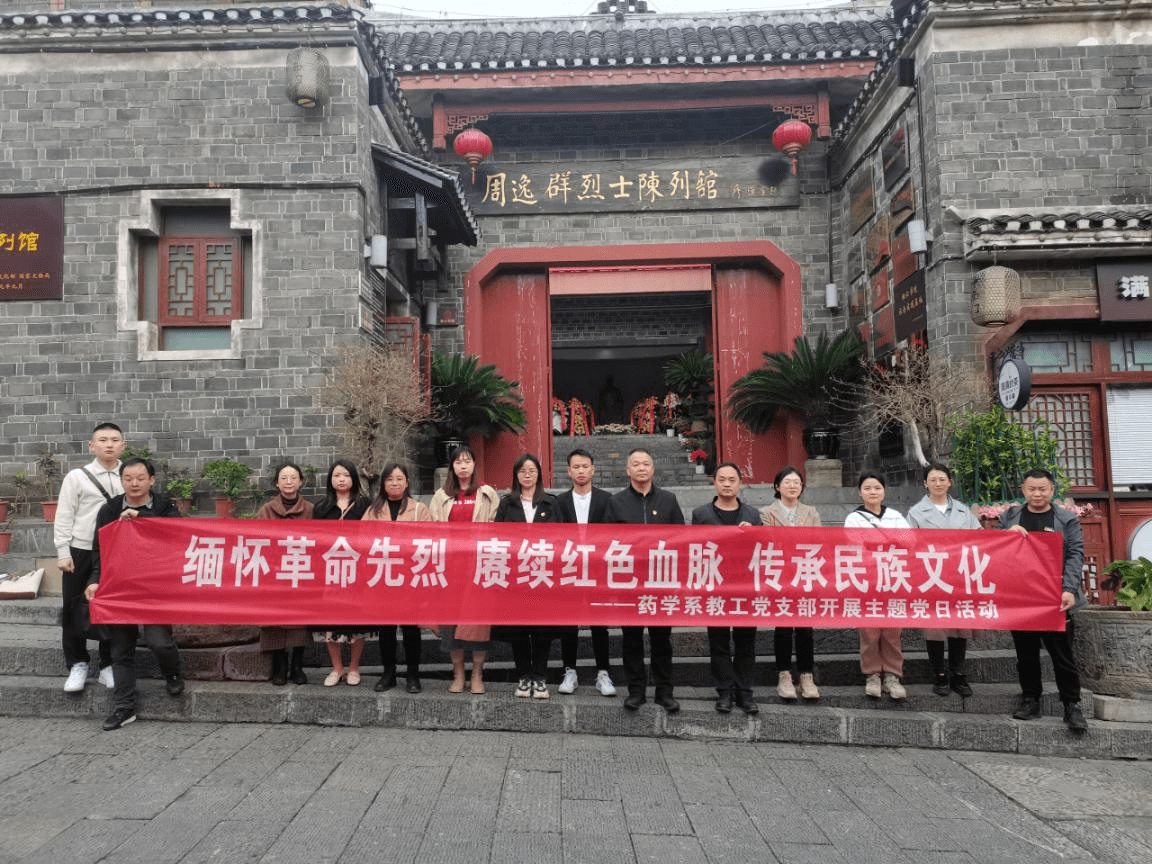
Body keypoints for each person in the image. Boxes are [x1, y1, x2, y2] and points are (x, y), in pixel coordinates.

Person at [84, 458, 184, 731]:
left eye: (140, 478)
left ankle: (173, 673)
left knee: (158, 641)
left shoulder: (165, 506)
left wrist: (143, 520)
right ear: (121, 481)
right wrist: (95, 581)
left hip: (155, 587)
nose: (134, 483)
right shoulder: (110, 509)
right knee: (120, 650)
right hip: (120, 587)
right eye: (128, 479)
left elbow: (178, 533)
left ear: (151, 480)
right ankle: (124, 707)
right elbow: (99, 549)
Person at [998, 469, 1088, 732]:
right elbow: (995, 550)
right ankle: (1030, 700)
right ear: (1023, 490)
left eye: (1042, 489)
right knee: (1025, 653)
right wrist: (1006, 535)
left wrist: (1069, 589)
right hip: (1021, 597)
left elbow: (1075, 554)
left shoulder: (1066, 519)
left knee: (1062, 655)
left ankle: (1071, 705)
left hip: (1055, 597)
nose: (1037, 494)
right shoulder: (1010, 517)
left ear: (1052, 490)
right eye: (1032, 489)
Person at [604, 447, 685, 713]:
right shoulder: (616, 502)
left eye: (646, 463)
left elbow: (681, 541)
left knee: (662, 640)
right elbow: (606, 543)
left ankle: (664, 692)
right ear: (628, 471)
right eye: (636, 464)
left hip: (662, 583)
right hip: (630, 584)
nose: (641, 468)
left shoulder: (668, 500)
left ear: (653, 469)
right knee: (632, 639)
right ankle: (636, 691)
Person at [55, 421, 125, 693]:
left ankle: (108, 664)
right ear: (91, 445)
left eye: (115, 440)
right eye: (103, 440)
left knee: (110, 608)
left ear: (123, 445)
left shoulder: (130, 475)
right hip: (81, 550)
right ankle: (78, 663)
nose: (109, 445)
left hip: (116, 552)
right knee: (74, 608)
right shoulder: (77, 477)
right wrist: (63, 551)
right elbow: (64, 515)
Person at [691, 462, 762, 715]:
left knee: (746, 643)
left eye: (732, 480)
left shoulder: (753, 515)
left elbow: (764, 550)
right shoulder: (701, 514)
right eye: (722, 479)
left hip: (745, 587)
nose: (727, 484)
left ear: (740, 483)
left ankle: (745, 693)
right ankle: (724, 691)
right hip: (715, 587)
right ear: (714, 483)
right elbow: (693, 549)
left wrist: (753, 535)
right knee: (719, 642)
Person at [906, 462, 981, 698]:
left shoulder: (963, 511)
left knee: (960, 627)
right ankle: (939, 674)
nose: (938, 484)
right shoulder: (916, 512)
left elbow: (980, 539)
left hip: (960, 575)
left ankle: (958, 674)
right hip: (932, 576)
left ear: (950, 482)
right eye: (933, 480)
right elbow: (909, 545)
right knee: (935, 629)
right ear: (925, 484)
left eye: (942, 479)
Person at [429, 445, 499, 694]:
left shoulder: (487, 493)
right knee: (451, 622)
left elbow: (496, 527)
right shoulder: (441, 496)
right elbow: (434, 532)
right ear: (452, 466)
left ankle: (478, 673)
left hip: (479, 566)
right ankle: (458, 673)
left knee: (478, 622)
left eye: (467, 461)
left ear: (474, 464)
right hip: (451, 568)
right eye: (458, 462)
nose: (463, 466)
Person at [495, 453, 561, 700]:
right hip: (516, 577)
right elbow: (497, 538)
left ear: (539, 475)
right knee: (519, 630)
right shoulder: (507, 504)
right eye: (522, 471)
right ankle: (524, 676)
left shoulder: (551, 503)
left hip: (543, 576)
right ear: (516, 475)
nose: (527, 475)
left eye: (532, 470)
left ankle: (540, 678)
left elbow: (562, 539)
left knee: (542, 630)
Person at [553, 448, 617, 697]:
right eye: (576, 467)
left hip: (598, 569)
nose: (581, 471)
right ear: (569, 471)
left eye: (585, 466)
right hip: (569, 569)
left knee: (599, 623)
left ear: (593, 469)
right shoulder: (559, 502)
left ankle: (603, 673)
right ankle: (570, 671)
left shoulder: (607, 500)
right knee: (568, 623)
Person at [364, 462, 432, 693]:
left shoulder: (419, 509)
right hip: (383, 576)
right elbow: (361, 539)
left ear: (407, 483)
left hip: (410, 578)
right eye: (390, 479)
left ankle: (413, 675)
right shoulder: (373, 510)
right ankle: (388, 673)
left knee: (411, 629)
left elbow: (430, 541)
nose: (394, 483)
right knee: (386, 629)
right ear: (383, 484)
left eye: (399, 479)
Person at [845, 471, 910, 700]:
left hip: (894, 579)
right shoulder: (853, 519)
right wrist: (890, 542)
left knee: (893, 630)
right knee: (869, 630)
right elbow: (856, 547)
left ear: (884, 491)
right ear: (860, 492)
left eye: (877, 488)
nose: (873, 492)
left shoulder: (895, 516)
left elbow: (910, 541)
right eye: (867, 488)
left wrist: (876, 544)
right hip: (867, 581)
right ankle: (872, 674)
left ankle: (892, 675)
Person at [760, 465, 822, 701]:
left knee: (806, 627)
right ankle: (784, 675)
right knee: (783, 626)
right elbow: (770, 541)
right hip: (780, 576)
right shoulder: (766, 513)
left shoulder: (811, 512)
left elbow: (818, 542)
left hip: (805, 573)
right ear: (777, 486)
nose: (793, 486)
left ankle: (806, 675)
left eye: (797, 482)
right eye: (787, 482)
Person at [312, 460, 373, 687]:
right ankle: (337, 668)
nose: (341, 479)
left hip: (358, 571)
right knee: (331, 621)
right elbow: (315, 540)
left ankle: (354, 668)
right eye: (337, 475)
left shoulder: (365, 505)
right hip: (330, 571)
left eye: (346, 475)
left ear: (354, 479)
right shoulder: (321, 507)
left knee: (358, 621)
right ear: (330, 479)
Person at [257, 462, 314, 686]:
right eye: (284, 478)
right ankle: (279, 665)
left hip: (301, 571)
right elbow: (257, 540)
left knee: (300, 620)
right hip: (273, 573)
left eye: (293, 478)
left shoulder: (311, 510)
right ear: (276, 483)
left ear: (300, 482)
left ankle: (297, 666)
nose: (289, 482)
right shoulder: (265, 510)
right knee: (274, 620)